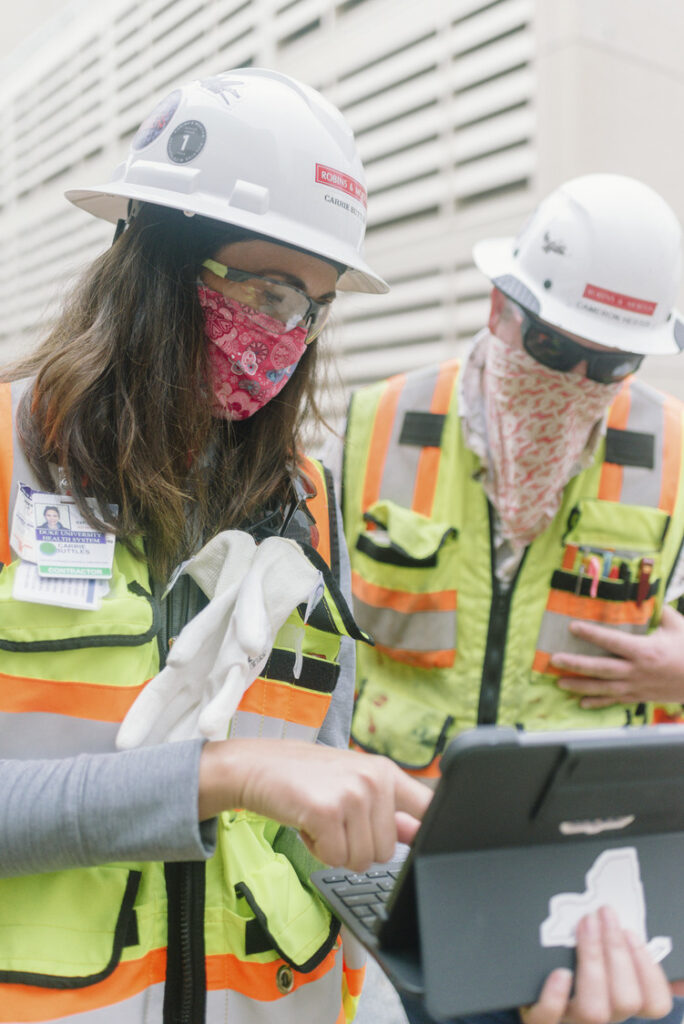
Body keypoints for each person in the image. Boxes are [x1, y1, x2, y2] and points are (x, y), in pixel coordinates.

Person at [0, 73, 666, 1024]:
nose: (283, 335)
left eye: (311, 305)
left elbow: (320, 798)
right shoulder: (7, 462)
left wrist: (509, 944)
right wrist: (219, 776)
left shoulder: (300, 500)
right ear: (151, 253)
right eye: (266, 289)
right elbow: (260, 777)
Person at [342, 173, 684, 1023]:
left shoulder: (672, 450)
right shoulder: (372, 425)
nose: (576, 378)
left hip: (592, 856)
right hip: (400, 851)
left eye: (610, 363)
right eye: (555, 347)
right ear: (501, 309)